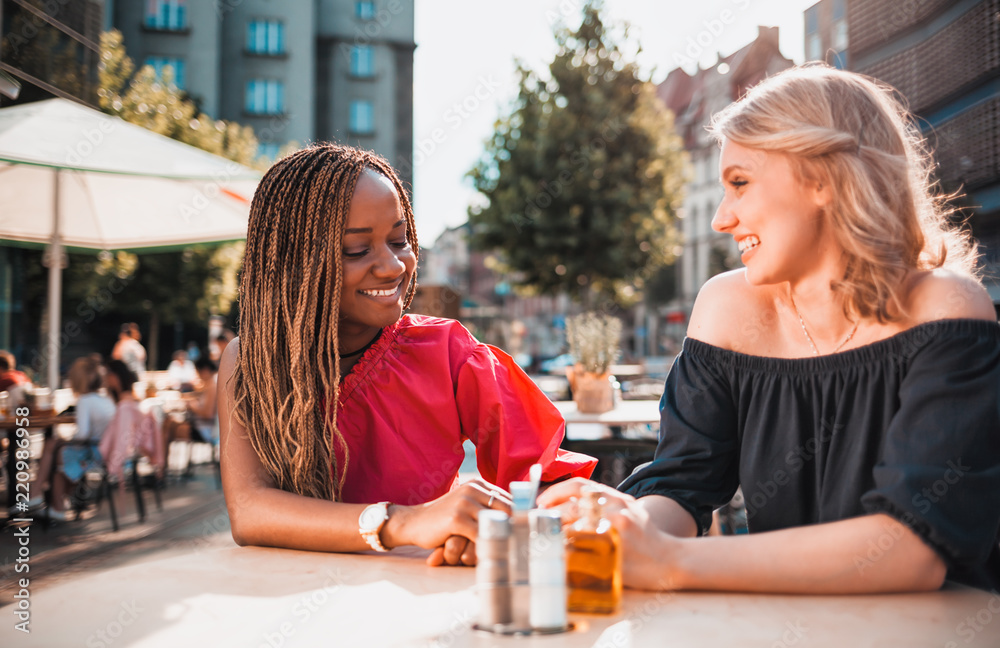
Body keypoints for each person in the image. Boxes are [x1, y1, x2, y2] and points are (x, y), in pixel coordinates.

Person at [539, 64, 1000, 594]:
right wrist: (628, 529)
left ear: (823, 180)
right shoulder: (726, 304)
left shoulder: (946, 307)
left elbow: (913, 549)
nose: (720, 218)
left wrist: (670, 561)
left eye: (740, 183)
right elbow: (683, 483)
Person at [219, 144, 596, 566]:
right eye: (358, 250)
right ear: (295, 264)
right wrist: (405, 522)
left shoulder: (449, 353)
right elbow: (250, 511)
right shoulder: (251, 363)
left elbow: (550, 480)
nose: (394, 265)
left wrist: (503, 524)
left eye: (400, 240)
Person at [34, 356, 116, 521]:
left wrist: (68, 441)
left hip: (93, 454)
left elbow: (83, 434)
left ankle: (43, 498)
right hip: (105, 451)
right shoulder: (106, 400)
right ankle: (51, 501)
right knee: (57, 450)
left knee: (54, 449)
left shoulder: (85, 401)